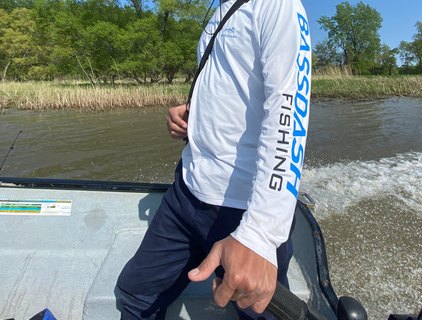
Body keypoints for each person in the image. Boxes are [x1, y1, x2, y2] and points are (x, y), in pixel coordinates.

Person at [116, 0, 312, 318]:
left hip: (239, 210)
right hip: (185, 192)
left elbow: (289, 108)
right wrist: (191, 114)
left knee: (256, 310)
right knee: (136, 296)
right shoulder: (220, 8)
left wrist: (259, 235)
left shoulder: (277, 4)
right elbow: (230, 87)